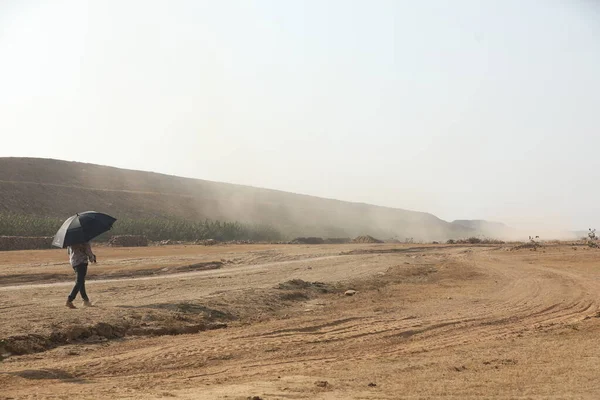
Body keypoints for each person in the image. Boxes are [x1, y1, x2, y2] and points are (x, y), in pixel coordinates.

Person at [65, 242, 96, 309]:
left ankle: (85, 300)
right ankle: (70, 299)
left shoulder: (71, 241)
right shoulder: (84, 241)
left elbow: (68, 252)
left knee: (81, 281)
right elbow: (88, 251)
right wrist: (92, 258)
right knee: (79, 281)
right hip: (82, 262)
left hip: (74, 262)